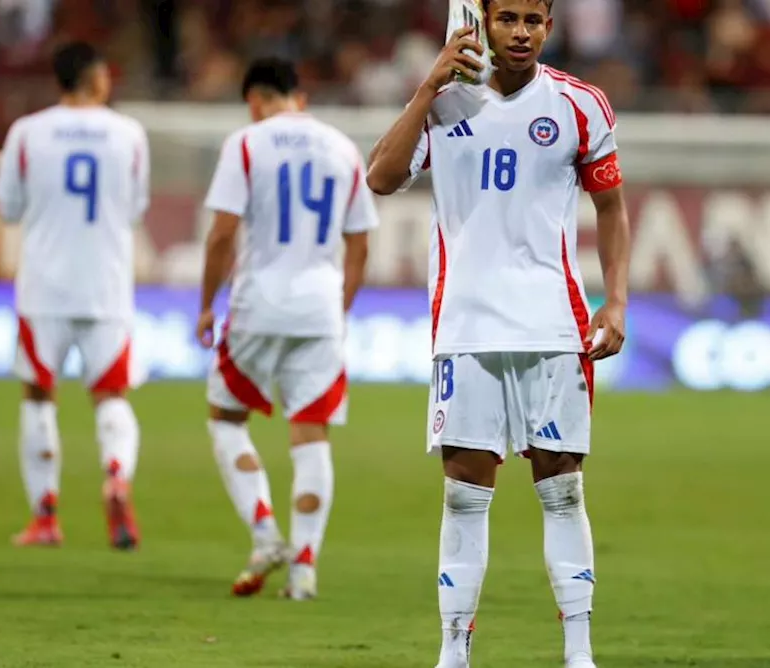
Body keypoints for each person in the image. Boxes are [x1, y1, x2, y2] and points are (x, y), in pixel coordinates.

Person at [365, 1, 632, 666]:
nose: (520, 32)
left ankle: (579, 654)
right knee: (463, 496)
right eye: (507, 17)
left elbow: (612, 207)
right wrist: (428, 86)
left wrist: (617, 301)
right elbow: (380, 177)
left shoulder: (580, 105)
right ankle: (453, 654)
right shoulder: (446, 101)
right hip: (466, 327)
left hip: (552, 325)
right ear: (482, 20)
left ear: (549, 25)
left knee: (563, 489)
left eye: (533, 20)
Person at [196, 57, 378, 600]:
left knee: (227, 419)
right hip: (320, 308)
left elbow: (221, 235)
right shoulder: (342, 147)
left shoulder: (248, 143)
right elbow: (361, 242)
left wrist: (207, 304)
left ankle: (264, 532)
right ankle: (303, 570)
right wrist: (340, 307)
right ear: (300, 94)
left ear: (255, 99)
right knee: (311, 433)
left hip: (257, 304)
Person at [0, 42, 151, 551]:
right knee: (111, 395)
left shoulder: (27, 132)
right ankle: (116, 476)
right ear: (98, 77)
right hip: (106, 285)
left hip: (44, 286)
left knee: (39, 397)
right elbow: (135, 207)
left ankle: (45, 517)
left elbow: (8, 208)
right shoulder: (129, 133)